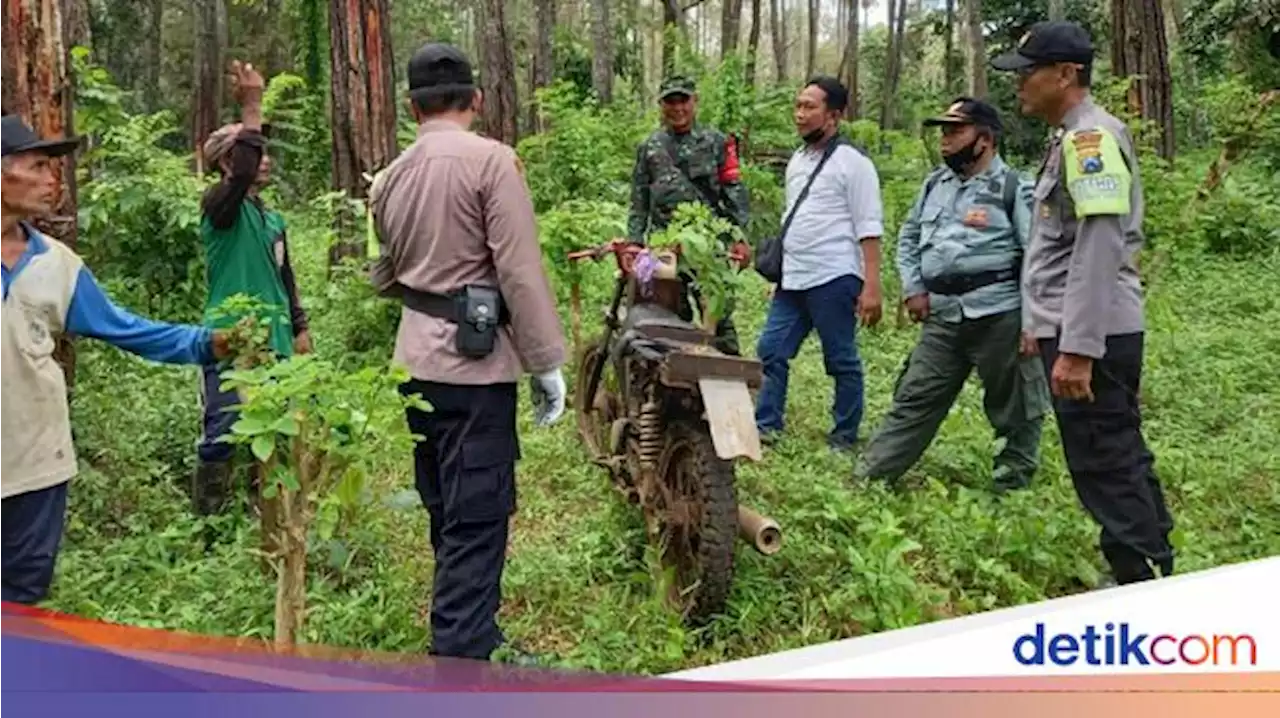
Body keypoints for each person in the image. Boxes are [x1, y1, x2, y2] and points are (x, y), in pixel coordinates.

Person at [367, 42, 568, 662]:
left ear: (411, 106)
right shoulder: (493, 163)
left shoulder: (391, 176)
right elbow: (520, 270)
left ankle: (473, 630)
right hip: (477, 368)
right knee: (477, 519)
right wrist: (545, 361)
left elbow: (385, 269)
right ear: (476, 100)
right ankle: (459, 659)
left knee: (444, 504)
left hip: (417, 363)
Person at [0, 114, 229, 604]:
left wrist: (205, 343)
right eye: (38, 166)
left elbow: (124, 329)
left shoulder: (57, 265)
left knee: (19, 601)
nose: (51, 180)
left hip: (34, 465)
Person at [991, 21, 1175, 585]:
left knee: (1103, 456)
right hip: (1072, 326)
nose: (1018, 84)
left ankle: (1140, 579)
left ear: (1066, 74)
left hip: (1091, 333)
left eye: (1028, 73)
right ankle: (1143, 559)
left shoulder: (1092, 139)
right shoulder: (1068, 137)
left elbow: (1098, 248)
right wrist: (1038, 324)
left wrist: (1077, 348)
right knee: (1110, 447)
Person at [854, 98, 1050, 492]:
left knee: (1015, 408)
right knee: (915, 396)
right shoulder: (934, 185)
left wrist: (1036, 322)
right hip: (943, 316)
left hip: (1001, 315)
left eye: (955, 131)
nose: (945, 140)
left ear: (985, 139)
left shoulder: (1015, 187)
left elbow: (1038, 256)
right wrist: (914, 287)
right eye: (942, 131)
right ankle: (871, 479)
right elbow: (909, 237)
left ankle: (1011, 488)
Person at [193, 60, 311, 519]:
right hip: (230, 336)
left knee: (277, 430)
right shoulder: (219, 208)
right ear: (227, 162)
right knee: (222, 429)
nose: (264, 159)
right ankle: (212, 521)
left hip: (275, 337)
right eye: (253, 152)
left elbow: (286, 275)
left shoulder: (271, 217)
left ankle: (269, 515)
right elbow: (241, 174)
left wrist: (299, 326)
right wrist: (252, 106)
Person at [754, 76, 884, 452]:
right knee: (771, 349)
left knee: (840, 357)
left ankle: (844, 434)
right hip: (794, 278)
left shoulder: (853, 163)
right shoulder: (797, 159)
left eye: (810, 107)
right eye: (798, 105)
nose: (800, 114)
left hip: (834, 275)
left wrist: (872, 285)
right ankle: (767, 424)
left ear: (835, 115)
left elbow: (869, 226)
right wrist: (783, 270)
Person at [626, 74, 751, 355]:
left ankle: (734, 380)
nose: (677, 108)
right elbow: (639, 200)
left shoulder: (717, 142)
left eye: (683, 100)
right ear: (661, 105)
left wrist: (740, 237)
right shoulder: (649, 148)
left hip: (707, 247)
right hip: (664, 247)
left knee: (718, 320)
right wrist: (634, 242)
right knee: (667, 319)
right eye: (670, 101)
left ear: (695, 102)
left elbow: (734, 191)